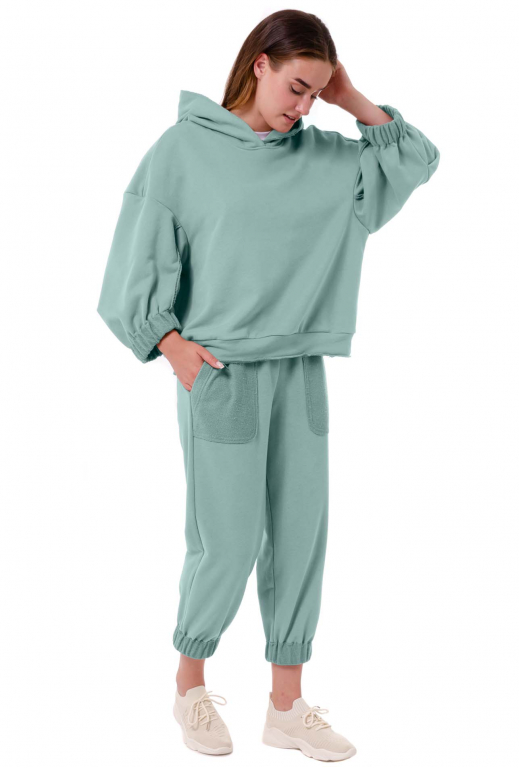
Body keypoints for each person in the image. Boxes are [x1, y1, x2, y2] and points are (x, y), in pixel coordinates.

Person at [97, 9, 440, 762]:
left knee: (298, 536)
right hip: (221, 372)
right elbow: (131, 265)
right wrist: (169, 344)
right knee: (224, 540)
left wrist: (351, 99)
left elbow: (416, 160)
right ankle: (189, 685)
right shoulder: (183, 151)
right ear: (259, 64)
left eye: (315, 92)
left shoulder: (329, 159)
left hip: (301, 368)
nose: (303, 106)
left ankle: (286, 706)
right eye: (296, 87)